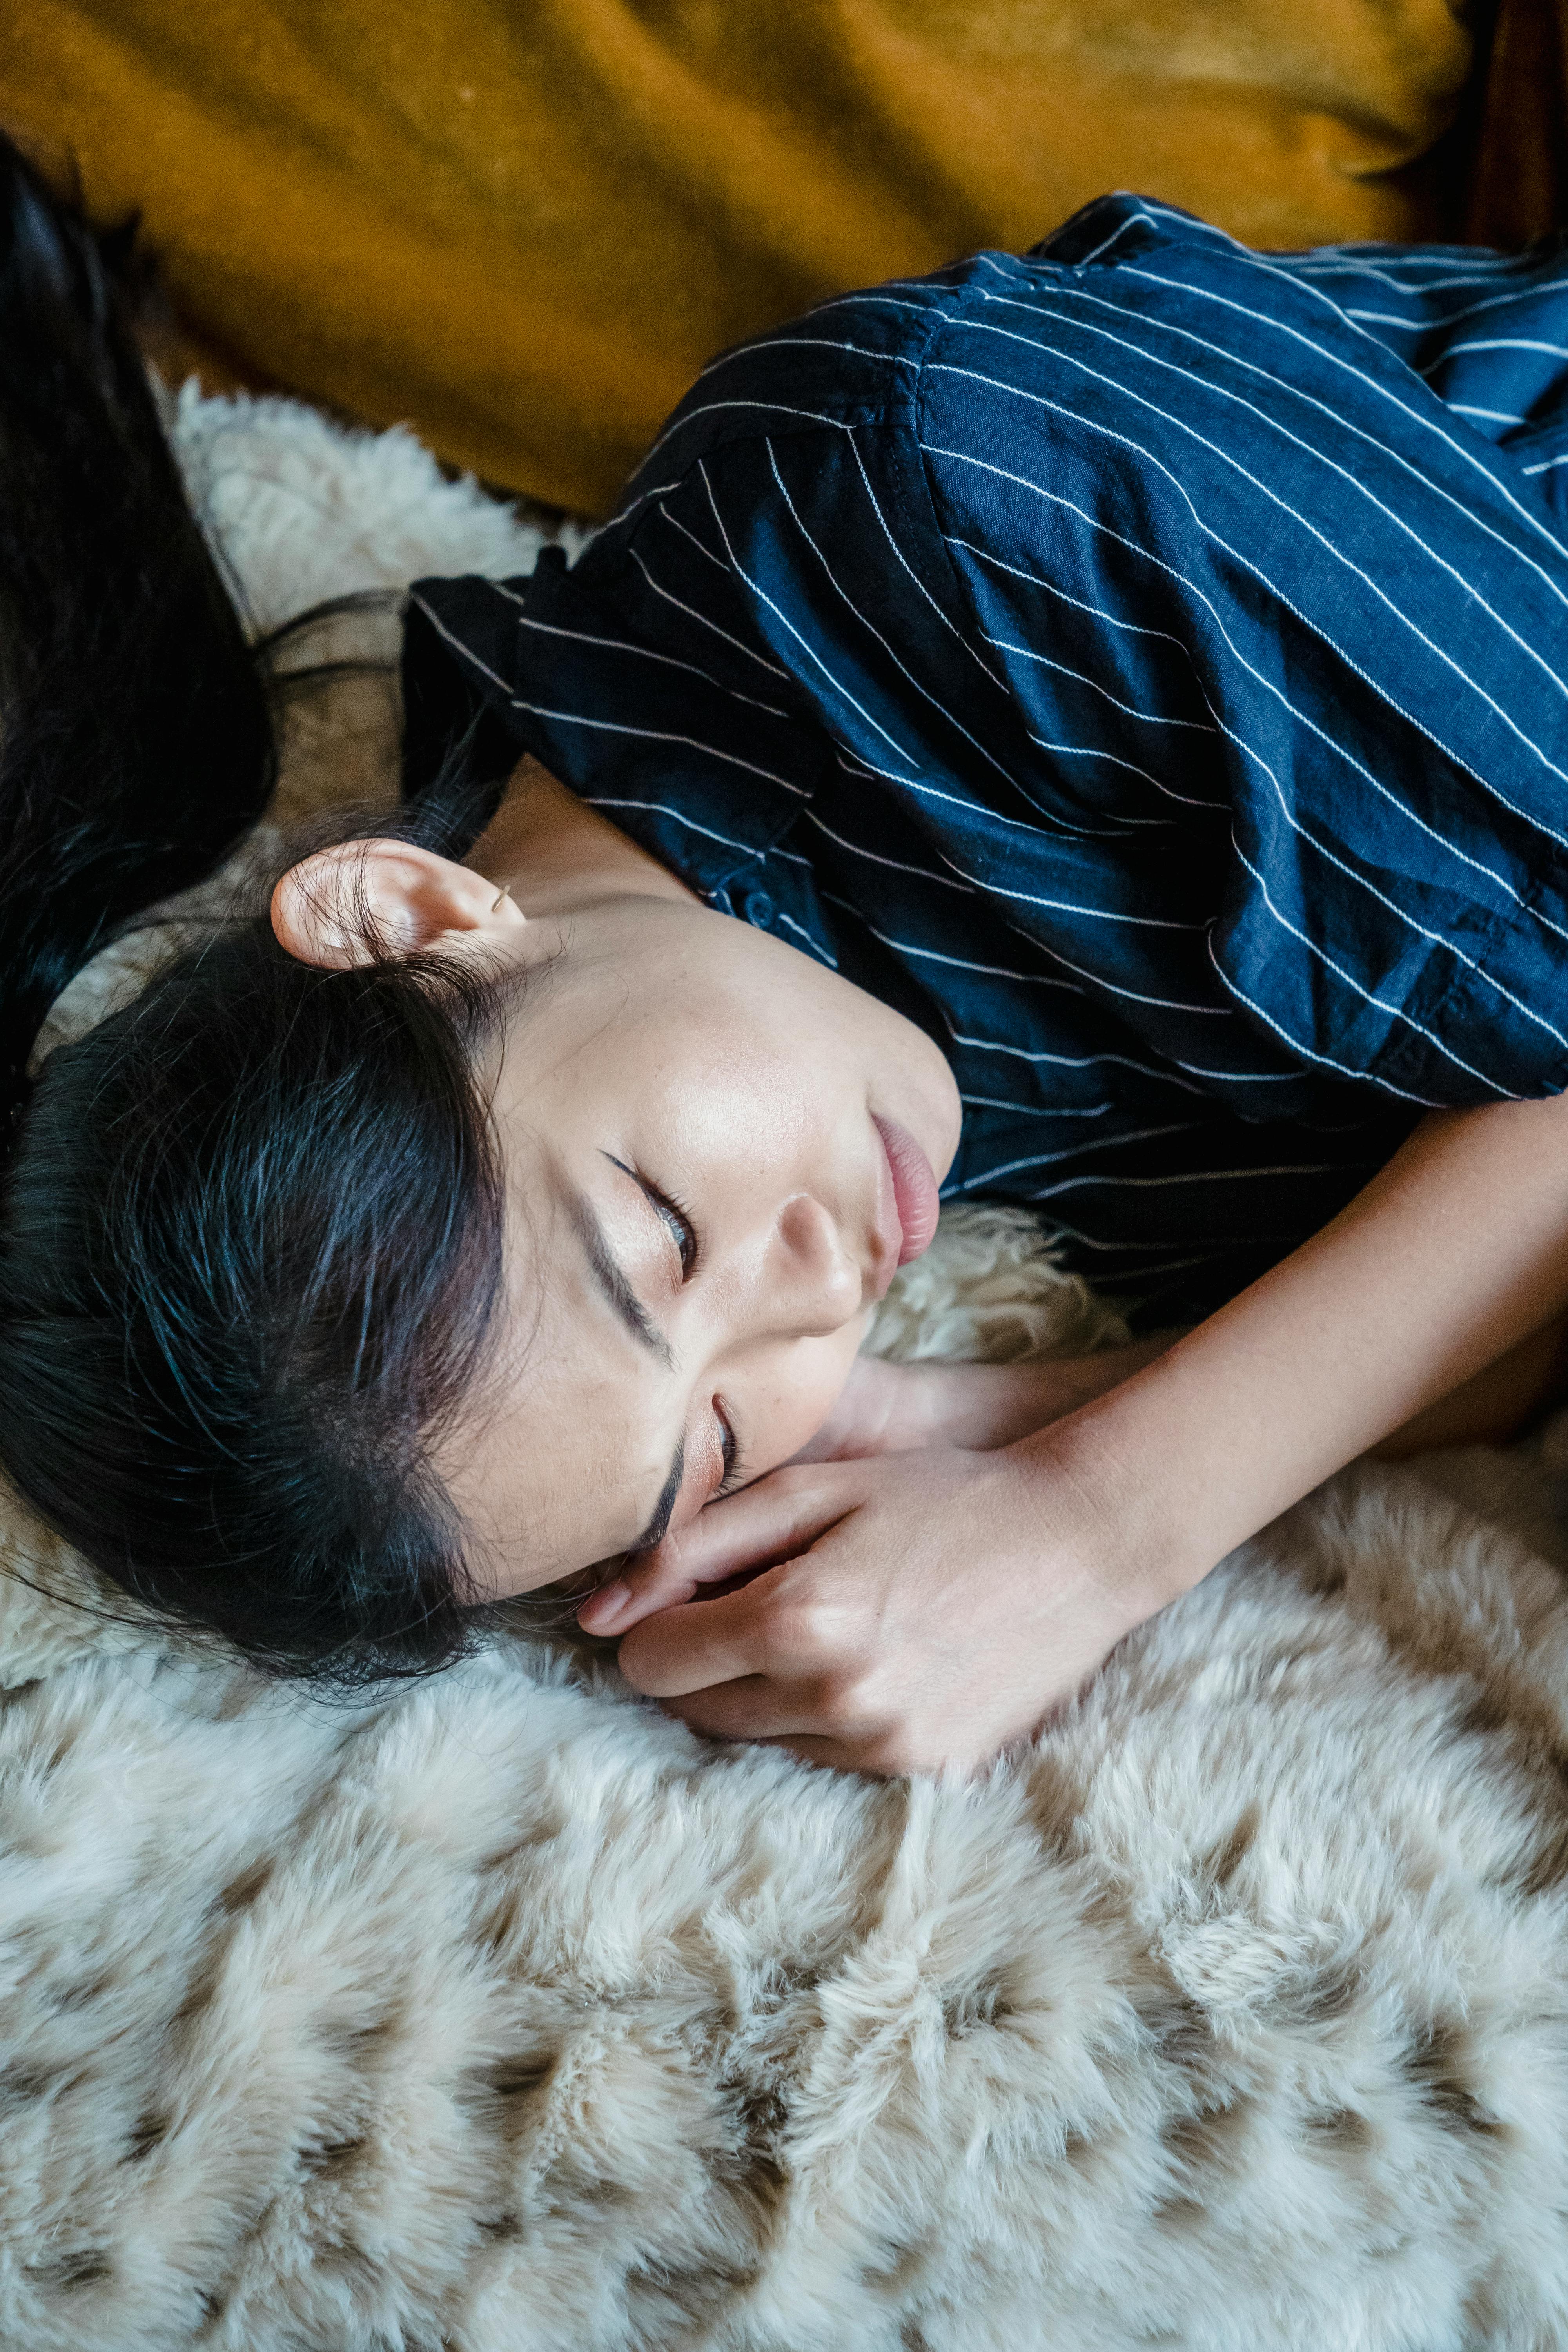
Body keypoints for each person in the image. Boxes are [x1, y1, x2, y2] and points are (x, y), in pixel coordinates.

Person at [5, 133, 1568, 1776]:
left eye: (668, 1238)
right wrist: (973, 1422)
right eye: (725, 1434)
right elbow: (1496, 1310)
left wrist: (1101, 1523)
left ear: (415, 918)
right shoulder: (824, 1052)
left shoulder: (920, 507)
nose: (823, 1293)